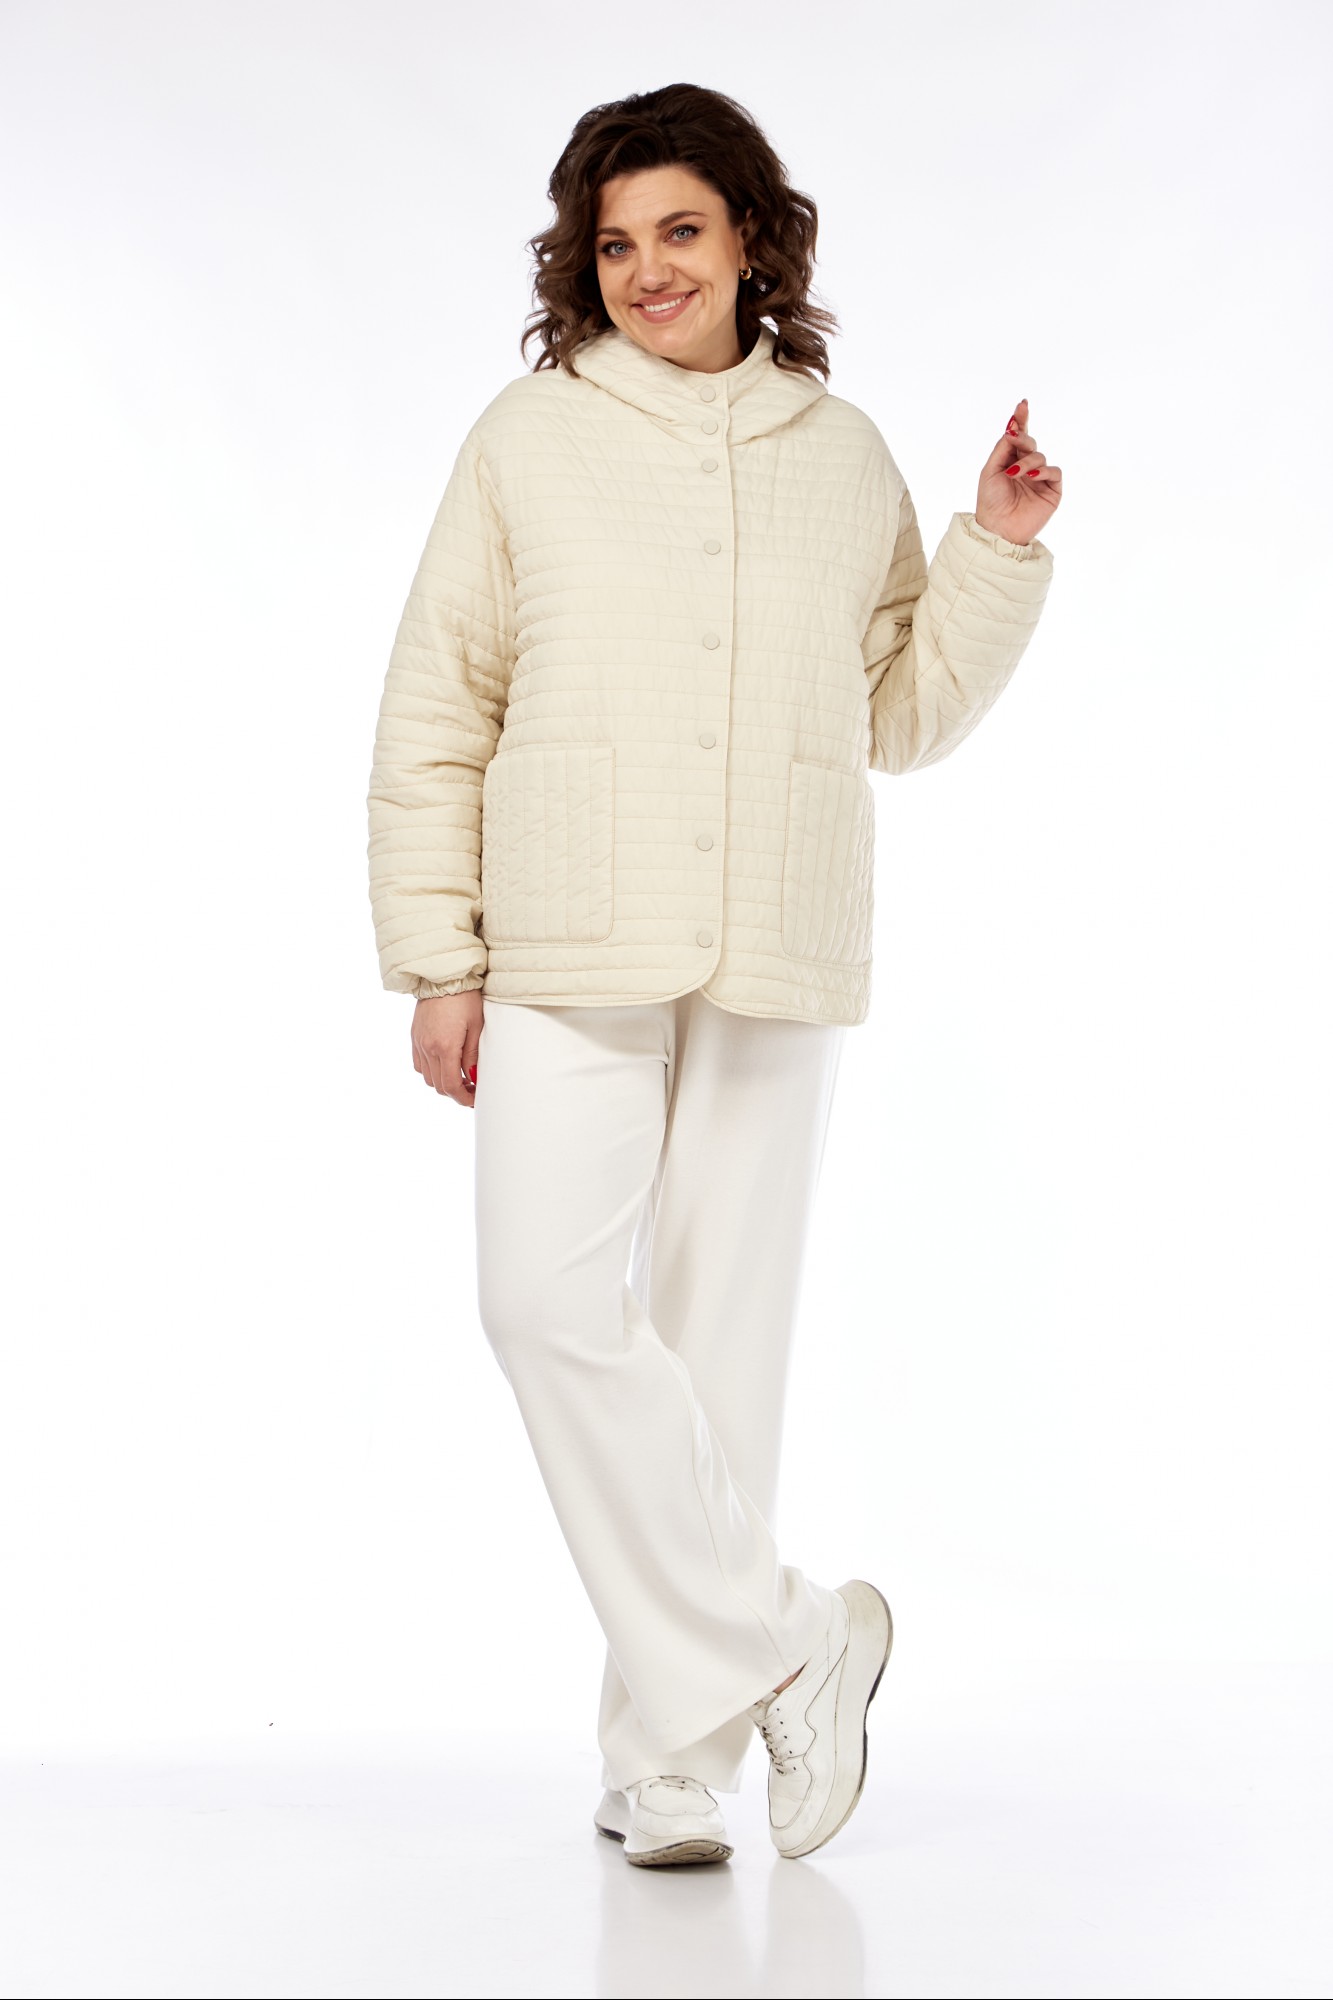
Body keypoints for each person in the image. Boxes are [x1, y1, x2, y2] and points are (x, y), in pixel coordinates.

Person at [366, 81, 1060, 1869]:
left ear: (753, 239)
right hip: (567, 930)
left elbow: (897, 716)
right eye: (613, 243)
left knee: (716, 1349)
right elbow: (440, 702)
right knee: (541, 1303)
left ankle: (668, 1760)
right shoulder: (527, 438)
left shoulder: (840, 454)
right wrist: (439, 957)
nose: (646, 269)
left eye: (679, 230)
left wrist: (991, 550)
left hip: (775, 934)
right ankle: (792, 1642)